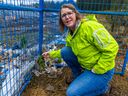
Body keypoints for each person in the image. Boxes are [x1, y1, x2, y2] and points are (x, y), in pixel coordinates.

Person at [42, 3, 119, 96]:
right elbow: (68, 51)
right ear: (61, 20)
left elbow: (112, 47)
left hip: (102, 71)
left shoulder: (90, 27)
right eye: (63, 15)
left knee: (72, 93)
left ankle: (104, 88)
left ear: (76, 14)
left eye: (69, 13)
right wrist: (51, 54)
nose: (67, 17)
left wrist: (98, 69)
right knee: (66, 51)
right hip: (88, 67)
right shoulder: (71, 34)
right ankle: (79, 77)